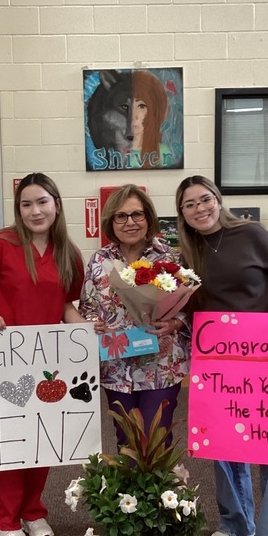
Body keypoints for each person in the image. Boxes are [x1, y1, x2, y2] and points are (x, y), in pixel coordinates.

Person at [175, 175, 268, 536]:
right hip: (218, 362)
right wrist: (174, 321)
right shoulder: (185, 253)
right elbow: (187, 307)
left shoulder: (251, 234)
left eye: (206, 199)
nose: (200, 208)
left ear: (219, 200)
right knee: (224, 443)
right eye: (190, 204)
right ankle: (237, 522)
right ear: (181, 213)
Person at [0, 173, 85, 536]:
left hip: (48, 361)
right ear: (18, 209)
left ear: (56, 204)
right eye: (26, 204)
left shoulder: (68, 251)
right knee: (6, 441)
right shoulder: (0, 244)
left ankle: (33, 510)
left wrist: (85, 331)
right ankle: (4, 520)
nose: (35, 211)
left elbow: (67, 305)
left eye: (42, 202)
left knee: (40, 437)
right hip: (3, 357)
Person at [79, 184, 190, 448]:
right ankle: (130, 491)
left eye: (137, 214)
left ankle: (163, 490)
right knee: (126, 440)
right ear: (111, 222)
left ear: (148, 218)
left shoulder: (171, 257)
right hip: (116, 366)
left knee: (156, 438)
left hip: (161, 363)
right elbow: (87, 306)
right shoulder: (99, 260)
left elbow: (190, 306)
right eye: (121, 216)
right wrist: (93, 323)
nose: (130, 222)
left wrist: (176, 322)